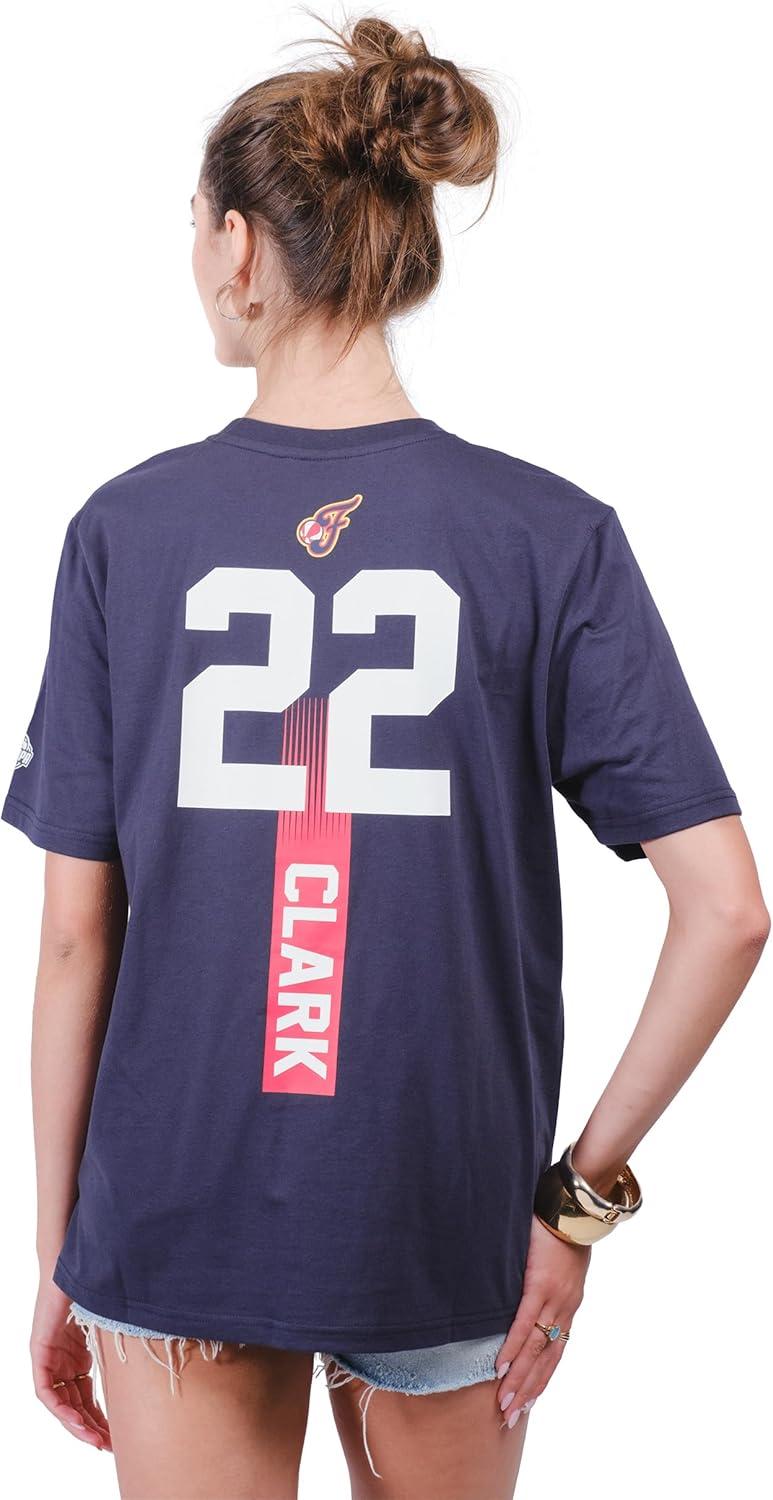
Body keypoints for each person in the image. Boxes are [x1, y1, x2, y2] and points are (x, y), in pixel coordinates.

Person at [2, 14, 768, 1500]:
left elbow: (75, 935)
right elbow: (728, 910)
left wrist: (58, 1254)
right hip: (444, 1205)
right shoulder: (547, 535)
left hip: (176, 1203)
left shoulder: (124, 533)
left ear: (238, 245)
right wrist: (577, 1201)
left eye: (193, 225)